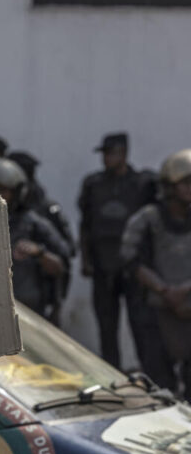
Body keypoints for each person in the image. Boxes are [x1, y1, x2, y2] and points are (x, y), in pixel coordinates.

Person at [78, 133, 157, 370]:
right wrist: (86, 259)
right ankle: (111, 375)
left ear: (123, 153)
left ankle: (150, 375)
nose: (105, 159)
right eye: (104, 154)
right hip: (103, 266)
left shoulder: (142, 184)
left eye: (110, 153)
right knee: (106, 325)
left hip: (134, 267)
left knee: (141, 325)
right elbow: (86, 224)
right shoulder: (94, 184)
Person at [120, 149, 191, 396]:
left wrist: (184, 290)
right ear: (170, 186)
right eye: (186, 182)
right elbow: (130, 259)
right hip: (156, 313)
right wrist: (165, 291)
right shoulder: (147, 219)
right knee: (161, 387)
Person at [0, 157, 71, 320]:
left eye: (2, 190)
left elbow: (61, 266)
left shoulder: (34, 224)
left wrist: (39, 253)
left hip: (27, 314)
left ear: (16, 193)